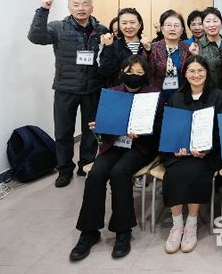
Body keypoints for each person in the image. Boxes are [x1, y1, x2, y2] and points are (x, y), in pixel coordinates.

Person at [69, 55, 162, 261]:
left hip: (140, 147)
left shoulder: (153, 95)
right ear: (122, 73)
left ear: (146, 74)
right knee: (96, 174)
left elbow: (160, 127)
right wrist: (98, 126)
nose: (134, 75)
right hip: (113, 144)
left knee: (120, 173)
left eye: (139, 72)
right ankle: (89, 232)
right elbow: (101, 125)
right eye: (130, 71)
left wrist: (143, 131)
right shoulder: (112, 93)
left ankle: (123, 231)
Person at [28, 0, 108, 187]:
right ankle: (64, 169)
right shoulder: (58, 27)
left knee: (91, 131)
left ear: (92, 7)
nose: (81, 8)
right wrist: (43, 10)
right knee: (63, 132)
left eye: (85, 4)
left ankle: (86, 165)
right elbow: (36, 37)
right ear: (69, 7)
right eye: (76, 4)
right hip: (65, 87)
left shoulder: (101, 30)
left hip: (93, 88)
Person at [162, 55, 222, 254]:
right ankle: (177, 224)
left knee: (195, 172)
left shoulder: (218, 97)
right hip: (180, 152)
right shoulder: (176, 98)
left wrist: (207, 149)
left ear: (207, 73)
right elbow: (170, 128)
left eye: (200, 70)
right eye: (191, 71)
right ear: (185, 74)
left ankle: (191, 224)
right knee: (173, 174)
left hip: (206, 153)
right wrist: (176, 147)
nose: (196, 75)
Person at [99, 8, 151, 87]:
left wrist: (148, 51)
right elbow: (105, 72)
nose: (128, 26)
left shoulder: (147, 45)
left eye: (132, 22)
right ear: (119, 26)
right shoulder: (113, 46)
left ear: (140, 24)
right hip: (119, 91)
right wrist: (108, 47)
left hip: (144, 91)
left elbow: (153, 71)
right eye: (124, 23)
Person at [146, 10, 190, 100]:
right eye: (168, 25)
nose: (172, 29)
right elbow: (147, 73)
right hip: (157, 97)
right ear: (162, 28)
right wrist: (147, 52)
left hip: (181, 98)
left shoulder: (188, 49)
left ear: (182, 30)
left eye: (176, 25)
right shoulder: (152, 48)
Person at [191, 7, 222, 96]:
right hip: (207, 94)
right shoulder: (196, 47)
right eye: (208, 21)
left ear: (221, 23)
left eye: (215, 21)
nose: (212, 25)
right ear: (203, 25)